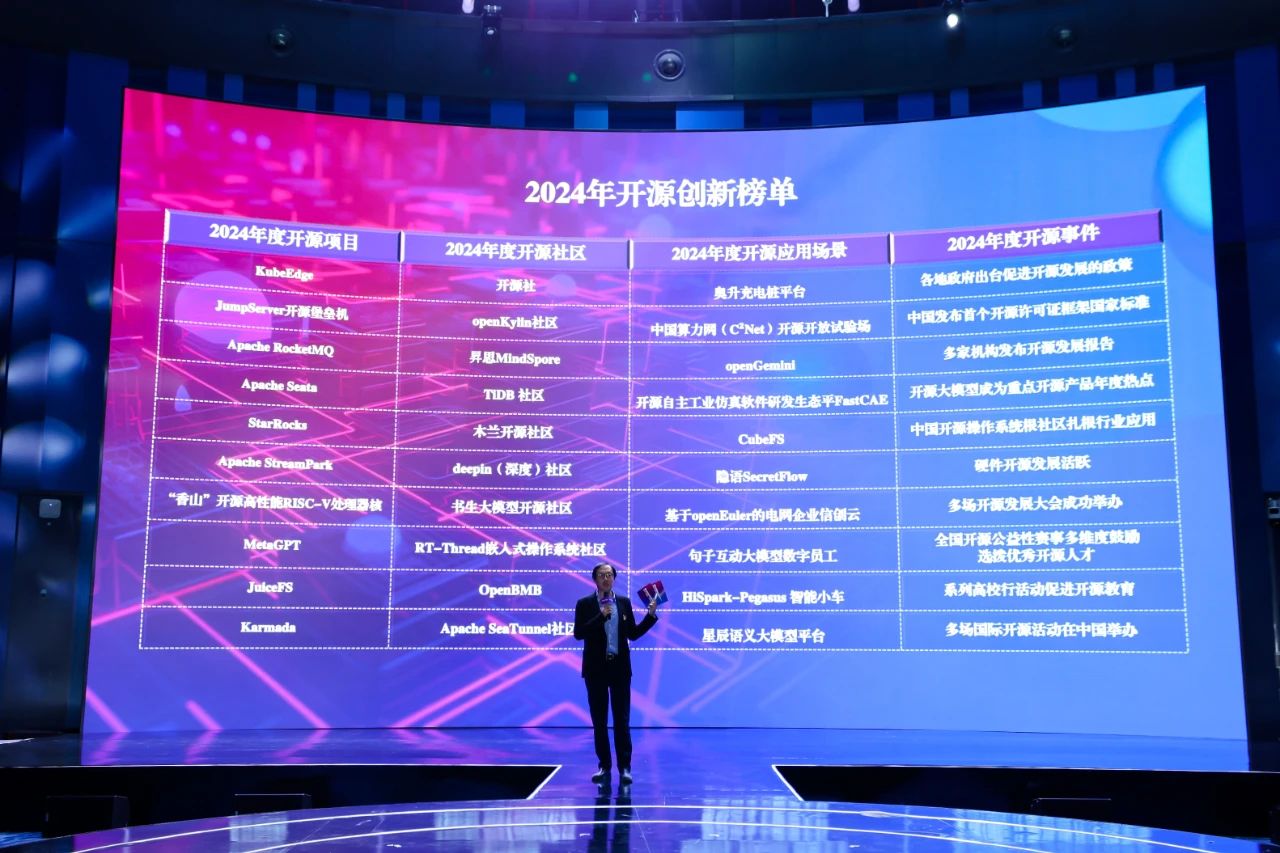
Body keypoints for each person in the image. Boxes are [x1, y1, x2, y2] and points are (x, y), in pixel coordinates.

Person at [573, 561, 658, 785]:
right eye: (602, 575)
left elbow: (633, 634)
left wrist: (650, 616)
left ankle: (625, 768)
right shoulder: (584, 604)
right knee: (599, 721)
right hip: (595, 670)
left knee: (622, 720)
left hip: (619, 669)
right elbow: (578, 633)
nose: (606, 578)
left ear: (614, 578)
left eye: (609, 574)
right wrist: (601, 616)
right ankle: (604, 766)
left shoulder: (623, 602)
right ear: (595, 579)